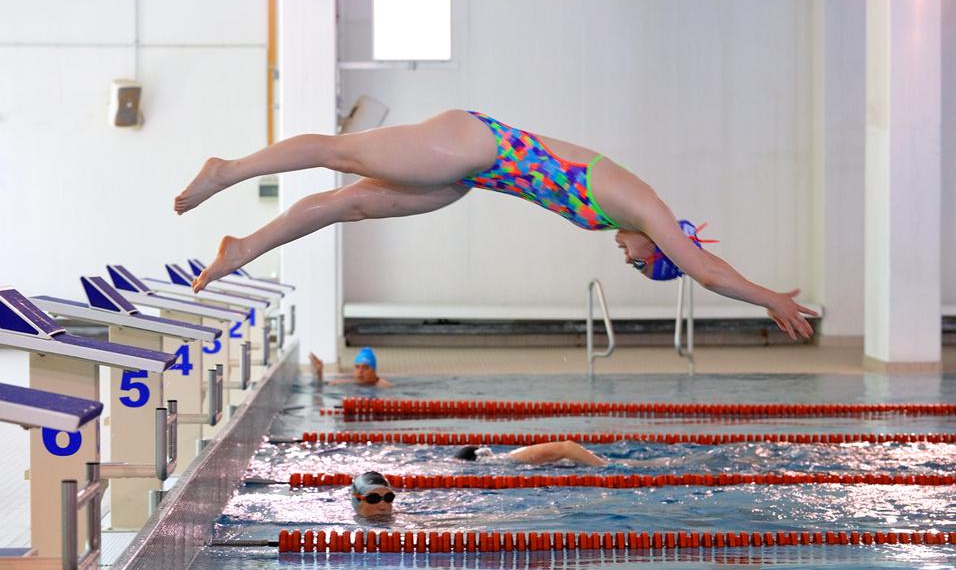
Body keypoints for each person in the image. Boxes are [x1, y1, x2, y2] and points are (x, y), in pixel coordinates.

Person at [176, 109, 817, 341]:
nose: (629, 260)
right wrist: (768, 299)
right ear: (661, 242)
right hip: (476, 145)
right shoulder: (643, 204)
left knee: (350, 204)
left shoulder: (613, 218)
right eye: (643, 262)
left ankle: (245, 247)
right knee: (340, 151)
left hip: (470, 177)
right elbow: (703, 268)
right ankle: (228, 170)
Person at [453, 442, 607, 467]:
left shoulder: (513, 458)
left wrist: (603, 466)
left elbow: (567, 447)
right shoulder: (511, 459)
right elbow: (567, 447)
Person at [309, 347, 391, 387]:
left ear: (374, 371)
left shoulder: (383, 386)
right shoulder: (349, 383)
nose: (360, 371)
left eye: (365, 368)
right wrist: (318, 373)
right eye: (357, 367)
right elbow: (319, 386)